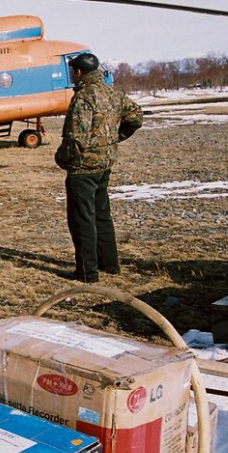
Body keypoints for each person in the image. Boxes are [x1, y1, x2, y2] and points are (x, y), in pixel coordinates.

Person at [54, 52, 143, 282]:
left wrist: (62, 159)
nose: (72, 76)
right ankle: (110, 264)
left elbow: (76, 139)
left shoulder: (84, 97)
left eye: (73, 71)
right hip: (104, 165)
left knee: (82, 220)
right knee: (102, 215)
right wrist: (114, 138)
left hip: (83, 169)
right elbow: (137, 116)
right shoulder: (112, 93)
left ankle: (87, 272)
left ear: (79, 72)